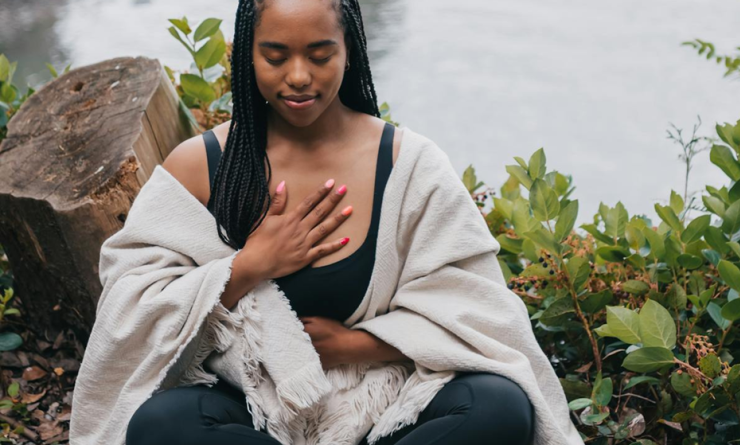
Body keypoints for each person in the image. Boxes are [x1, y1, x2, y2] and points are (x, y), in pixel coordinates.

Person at [124, 0, 535, 444]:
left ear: (350, 50)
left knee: (498, 405)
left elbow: (479, 314)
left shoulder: (408, 165)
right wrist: (250, 266)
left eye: (320, 56)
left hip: (388, 404)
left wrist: (355, 346)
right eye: (276, 57)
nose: (299, 76)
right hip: (254, 409)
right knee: (159, 426)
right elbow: (135, 312)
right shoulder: (201, 165)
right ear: (247, 54)